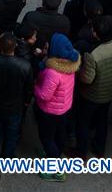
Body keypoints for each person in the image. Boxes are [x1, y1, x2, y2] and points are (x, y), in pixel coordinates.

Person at [76, 15, 112, 158]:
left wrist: (79, 70)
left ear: (96, 34)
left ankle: (81, 152)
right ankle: (99, 149)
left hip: (92, 96)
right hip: (110, 92)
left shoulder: (93, 55)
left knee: (83, 123)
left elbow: (87, 79)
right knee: (102, 119)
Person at [33, 33, 80, 179]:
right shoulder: (70, 64)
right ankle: (54, 154)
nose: (46, 45)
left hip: (50, 111)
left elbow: (44, 96)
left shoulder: (53, 72)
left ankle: (57, 170)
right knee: (59, 135)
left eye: (49, 44)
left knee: (46, 138)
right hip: (64, 108)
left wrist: (34, 86)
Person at [0, 31, 33, 157]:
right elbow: (29, 88)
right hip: (15, 107)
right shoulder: (25, 65)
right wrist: (26, 102)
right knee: (12, 135)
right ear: (15, 46)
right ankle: (7, 157)